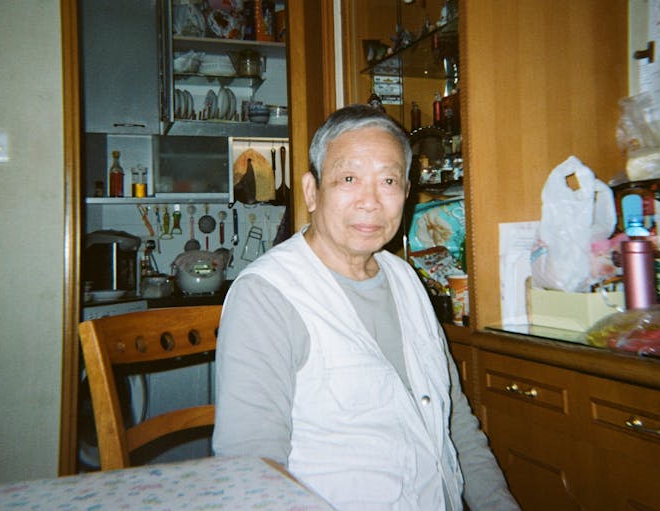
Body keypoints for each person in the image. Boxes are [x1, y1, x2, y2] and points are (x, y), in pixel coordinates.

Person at [213, 104, 519, 511]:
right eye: (349, 178)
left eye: (388, 180)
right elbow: (251, 475)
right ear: (311, 192)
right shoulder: (267, 297)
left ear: (407, 195)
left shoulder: (406, 279)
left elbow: (455, 423)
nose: (370, 201)